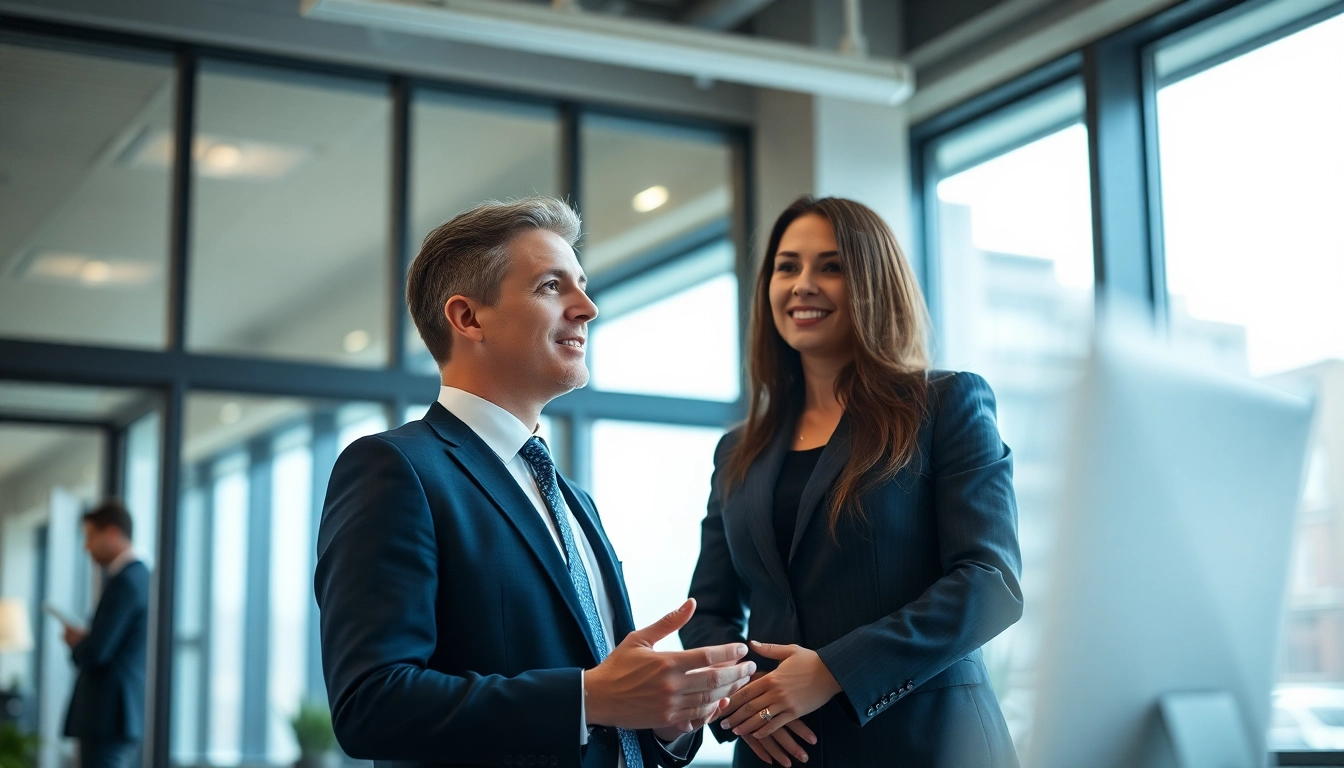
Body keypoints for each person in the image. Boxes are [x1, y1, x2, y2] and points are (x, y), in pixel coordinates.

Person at [315, 197, 755, 768]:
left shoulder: (576, 501)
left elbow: (607, 710)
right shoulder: (395, 470)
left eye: (582, 284)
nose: (588, 308)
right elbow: (370, 705)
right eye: (552, 286)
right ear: (468, 318)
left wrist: (665, 718)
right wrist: (588, 697)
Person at [681, 196, 1024, 767]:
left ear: (873, 281)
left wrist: (836, 670)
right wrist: (739, 700)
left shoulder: (944, 404)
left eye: (831, 266)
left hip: (924, 742)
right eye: (787, 266)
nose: (803, 284)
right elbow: (709, 608)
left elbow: (990, 584)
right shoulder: (739, 449)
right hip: (776, 749)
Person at [63, 499, 149, 768]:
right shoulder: (140, 578)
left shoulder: (125, 582)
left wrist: (78, 643)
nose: (86, 546)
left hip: (108, 716)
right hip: (120, 717)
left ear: (112, 533)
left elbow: (97, 652)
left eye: (90, 536)